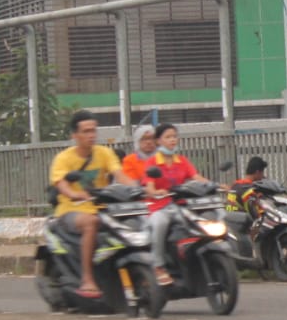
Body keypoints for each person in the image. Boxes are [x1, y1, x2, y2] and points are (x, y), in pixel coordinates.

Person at [50, 110, 133, 299]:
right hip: (71, 210)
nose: (91, 135)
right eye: (86, 131)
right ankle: (88, 279)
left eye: (94, 130)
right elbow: (61, 183)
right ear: (75, 135)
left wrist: (139, 188)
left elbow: (119, 175)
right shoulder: (63, 158)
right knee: (91, 223)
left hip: (103, 209)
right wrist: (74, 194)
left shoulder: (104, 153)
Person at [143, 123, 210, 287]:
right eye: (168, 137)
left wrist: (216, 185)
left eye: (174, 136)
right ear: (158, 141)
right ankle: (158, 266)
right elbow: (149, 186)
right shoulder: (152, 162)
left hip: (179, 205)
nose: (172, 140)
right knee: (160, 223)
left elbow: (196, 177)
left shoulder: (182, 160)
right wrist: (156, 192)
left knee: (201, 220)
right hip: (158, 207)